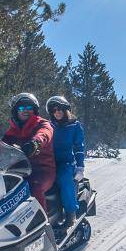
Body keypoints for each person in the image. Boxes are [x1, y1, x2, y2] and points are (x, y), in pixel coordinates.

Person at [1, 93, 55, 211]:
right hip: (18, 170)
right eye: (21, 108)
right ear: (16, 111)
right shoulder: (13, 130)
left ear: (34, 110)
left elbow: (44, 134)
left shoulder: (42, 124)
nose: (25, 110)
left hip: (42, 170)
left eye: (29, 107)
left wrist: (35, 143)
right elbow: (0, 145)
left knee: (34, 188)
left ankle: (43, 224)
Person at [46, 96, 84, 228]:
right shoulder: (48, 125)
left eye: (60, 109)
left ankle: (70, 214)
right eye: (54, 110)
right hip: (49, 162)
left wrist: (80, 167)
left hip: (66, 163)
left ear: (66, 110)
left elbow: (79, 147)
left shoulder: (74, 125)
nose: (57, 112)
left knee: (64, 179)